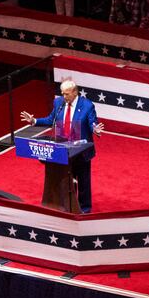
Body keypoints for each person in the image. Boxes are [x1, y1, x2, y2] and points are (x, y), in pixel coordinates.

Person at [18, 79, 98, 212]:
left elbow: (92, 122)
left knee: (83, 182)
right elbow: (51, 119)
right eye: (62, 93)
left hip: (81, 150)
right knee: (67, 180)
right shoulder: (58, 103)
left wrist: (95, 129)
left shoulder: (87, 105)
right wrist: (34, 120)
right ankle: (69, 207)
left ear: (74, 92)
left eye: (66, 94)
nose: (63, 96)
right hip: (62, 148)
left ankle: (85, 210)